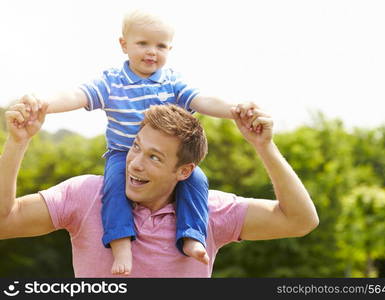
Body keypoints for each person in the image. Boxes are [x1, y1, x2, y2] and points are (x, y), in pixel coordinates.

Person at [19, 9, 258, 275]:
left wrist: (235, 110)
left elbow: (203, 101)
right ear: (124, 45)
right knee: (113, 187)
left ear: (170, 48)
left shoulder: (173, 82)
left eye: (161, 46)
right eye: (143, 43)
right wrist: (44, 105)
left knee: (198, 180)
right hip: (123, 153)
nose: (152, 51)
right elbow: (78, 96)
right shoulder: (112, 81)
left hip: (164, 158)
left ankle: (191, 235)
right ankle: (121, 244)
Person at [0, 101, 319, 277]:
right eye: (136, 148)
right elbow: (5, 221)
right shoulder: (86, 195)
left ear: (184, 171)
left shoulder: (210, 211)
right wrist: (17, 143)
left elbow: (300, 220)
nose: (135, 163)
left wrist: (265, 147)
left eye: (154, 157)